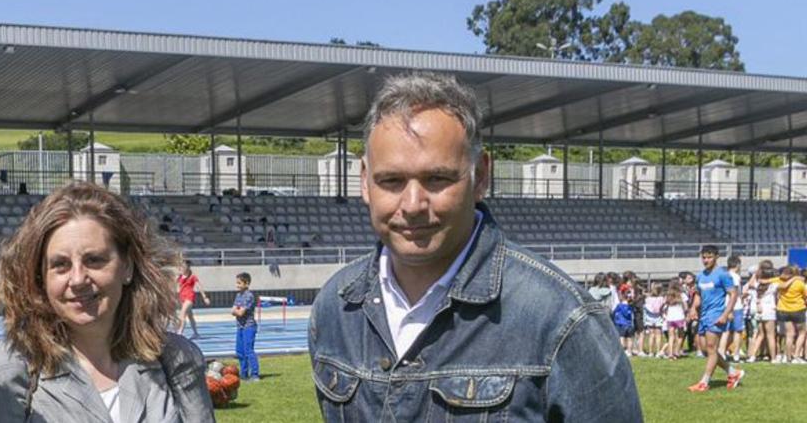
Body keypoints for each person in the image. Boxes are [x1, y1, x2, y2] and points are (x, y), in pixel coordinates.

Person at [309, 72, 641, 422]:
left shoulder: (560, 320)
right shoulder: (334, 308)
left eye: (437, 178)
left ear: (480, 177)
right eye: (391, 180)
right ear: (364, 181)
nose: (413, 204)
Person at [0, 182, 213, 423]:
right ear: (41, 278)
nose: (78, 279)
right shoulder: (6, 371)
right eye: (61, 265)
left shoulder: (177, 359)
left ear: (127, 267)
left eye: (94, 260)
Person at [686, 245, 745, 392]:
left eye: (709, 257)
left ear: (717, 257)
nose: (706, 260)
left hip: (716, 315)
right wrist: (693, 308)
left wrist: (725, 314)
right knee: (706, 349)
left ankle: (704, 382)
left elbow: (733, 294)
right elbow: (698, 295)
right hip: (704, 316)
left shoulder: (723, 275)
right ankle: (733, 372)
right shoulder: (700, 276)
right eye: (704, 257)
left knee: (712, 349)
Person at [774, 264, 806, 363]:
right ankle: (796, 356)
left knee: (789, 334)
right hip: (798, 309)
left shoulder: (781, 283)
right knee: (802, 333)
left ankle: (788, 357)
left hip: (783, 310)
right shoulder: (800, 283)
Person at [231, 272, 259, 381]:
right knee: (240, 351)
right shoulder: (238, 295)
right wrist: (236, 310)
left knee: (248, 351)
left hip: (249, 327)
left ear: (246, 284)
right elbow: (232, 310)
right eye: (236, 283)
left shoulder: (249, 296)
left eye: (239, 283)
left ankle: (255, 374)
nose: (237, 285)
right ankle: (244, 374)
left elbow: (240, 312)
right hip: (240, 327)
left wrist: (236, 311)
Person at [175, 260, 210, 338]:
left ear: (187, 267)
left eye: (183, 267)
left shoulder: (192, 277)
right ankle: (196, 333)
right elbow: (175, 285)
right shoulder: (180, 276)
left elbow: (199, 286)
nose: (181, 268)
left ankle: (180, 332)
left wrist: (205, 297)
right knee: (190, 316)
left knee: (182, 314)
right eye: (181, 267)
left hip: (189, 297)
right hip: (182, 298)